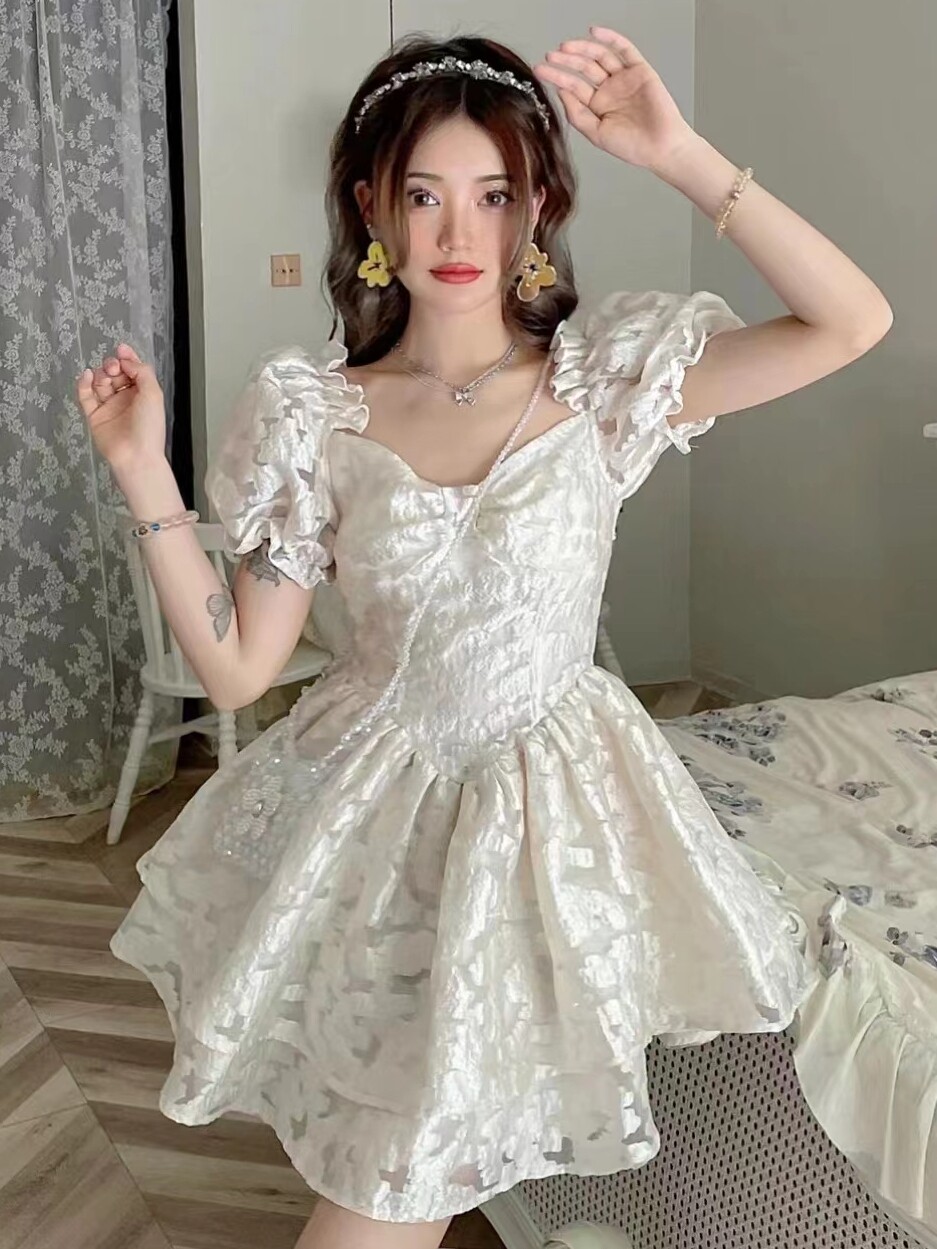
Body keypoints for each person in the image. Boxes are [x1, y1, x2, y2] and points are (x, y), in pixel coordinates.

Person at [77, 25, 892, 1249]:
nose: (458, 232)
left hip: (556, 827)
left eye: (494, 194)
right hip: (382, 833)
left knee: (412, 1168)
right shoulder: (315, 416)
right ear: (370, 207)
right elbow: (239, 669)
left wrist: (679, 153)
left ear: (536, 209)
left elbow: (850, 322)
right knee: (396, 1164)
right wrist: (144, 473)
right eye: (423, 196)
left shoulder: (603, 383)